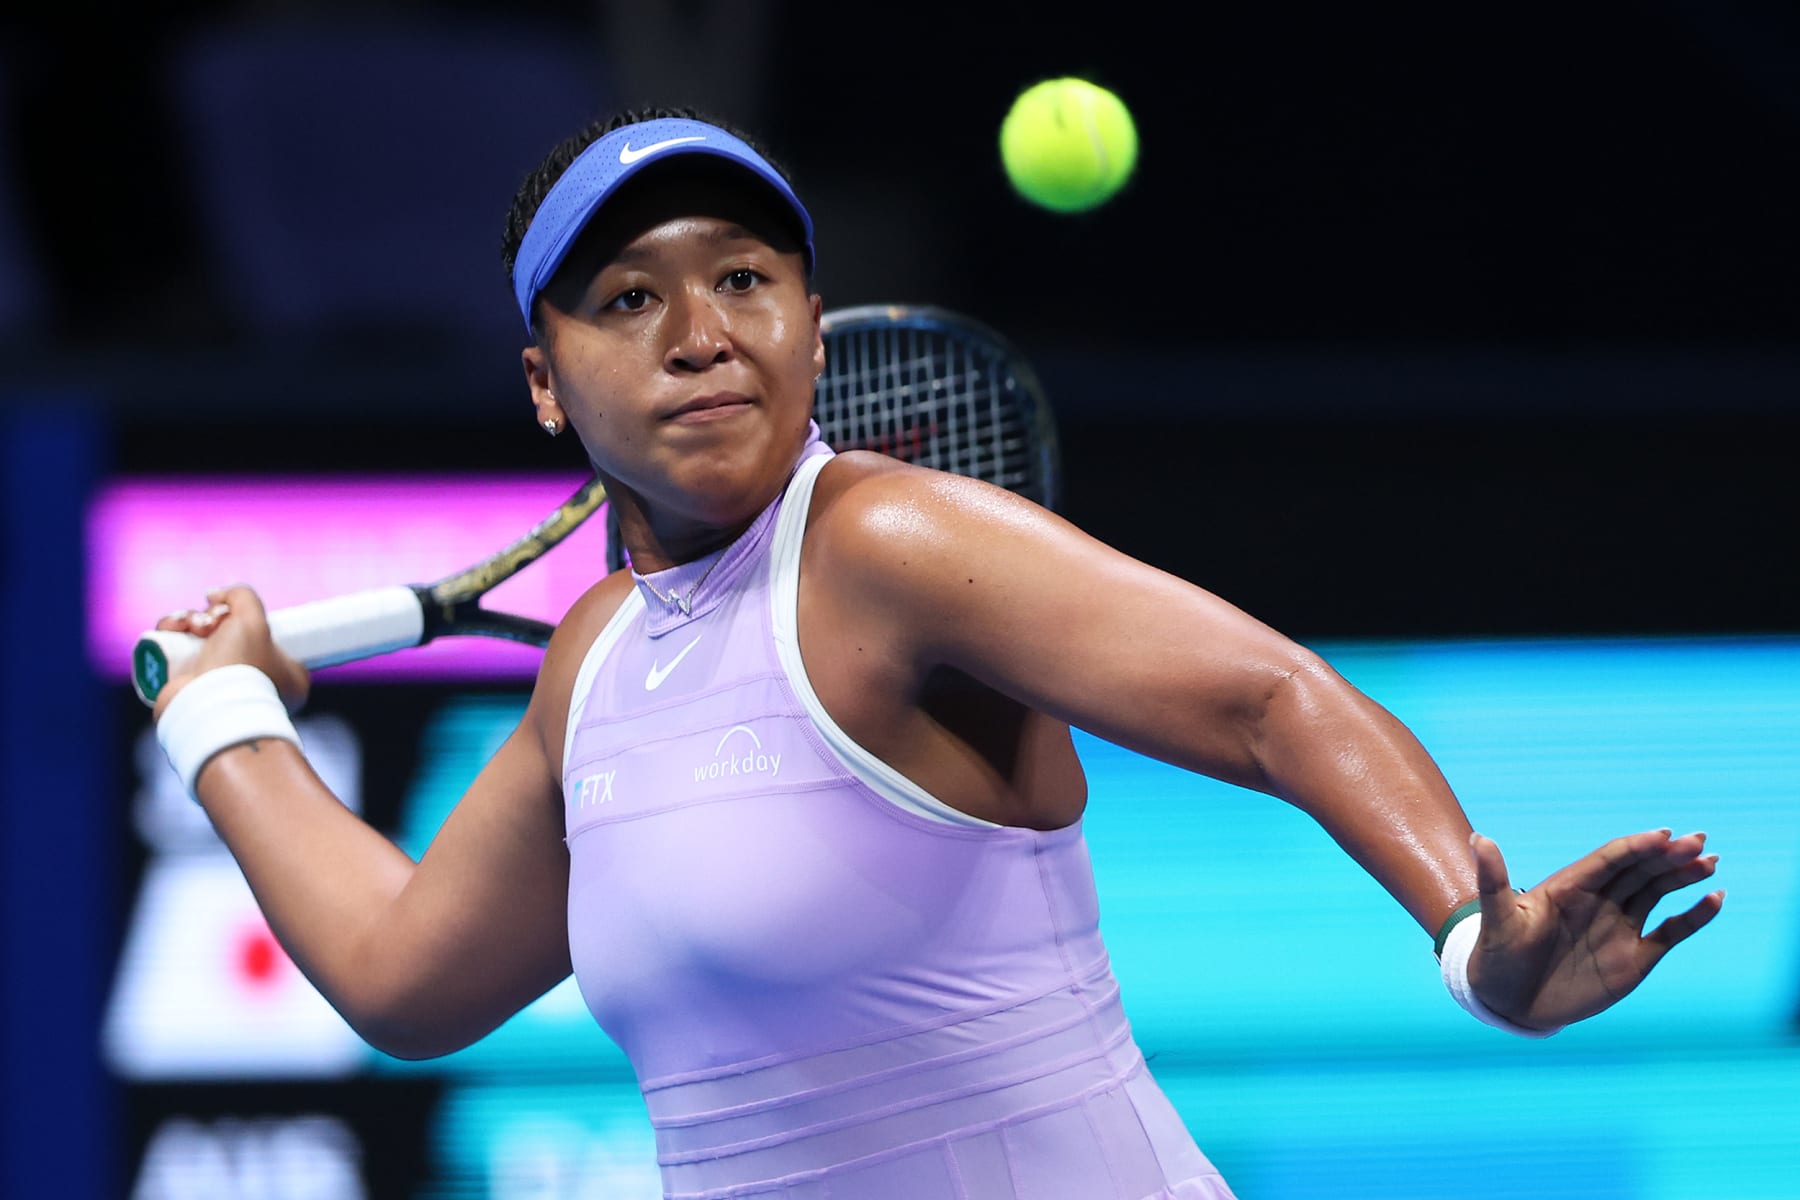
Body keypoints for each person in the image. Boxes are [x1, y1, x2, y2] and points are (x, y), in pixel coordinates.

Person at [150, 107, 1724, 1200]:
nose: (701, 333)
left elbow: (1267, 699)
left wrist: (1474, 934)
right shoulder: (597, 665)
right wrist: (225, 714)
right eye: (629, 300)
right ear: (547, 386)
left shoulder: (888, 546)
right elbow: (410, 981)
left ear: (812, 331)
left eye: (746, 281)